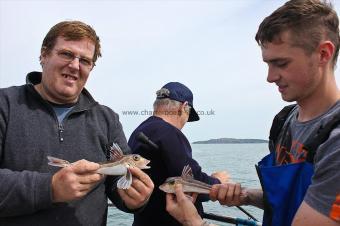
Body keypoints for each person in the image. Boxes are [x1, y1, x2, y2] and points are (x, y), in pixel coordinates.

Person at [166, 0, 340, 225]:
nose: (270, 77)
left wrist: (194, 222)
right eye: (268, 63)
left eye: (281, 63)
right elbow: (286, 199)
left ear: (323, 54)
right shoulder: (284, 121)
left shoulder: (335, 142)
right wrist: (246, 195)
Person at [0, 20, 154, 225]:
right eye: (66, 54)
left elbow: (116, 184)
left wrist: (133, 198)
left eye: (85, 60)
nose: (74, 65)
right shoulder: (5, 104)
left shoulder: (107, 119)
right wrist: (50, 188)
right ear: (44, 55)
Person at [128, 82, 229, 226]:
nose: (186, 121)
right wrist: (218, 182)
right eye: (188, 115)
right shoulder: (169, 133)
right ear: (183, 107)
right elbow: (190, 181)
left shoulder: (138, 132)